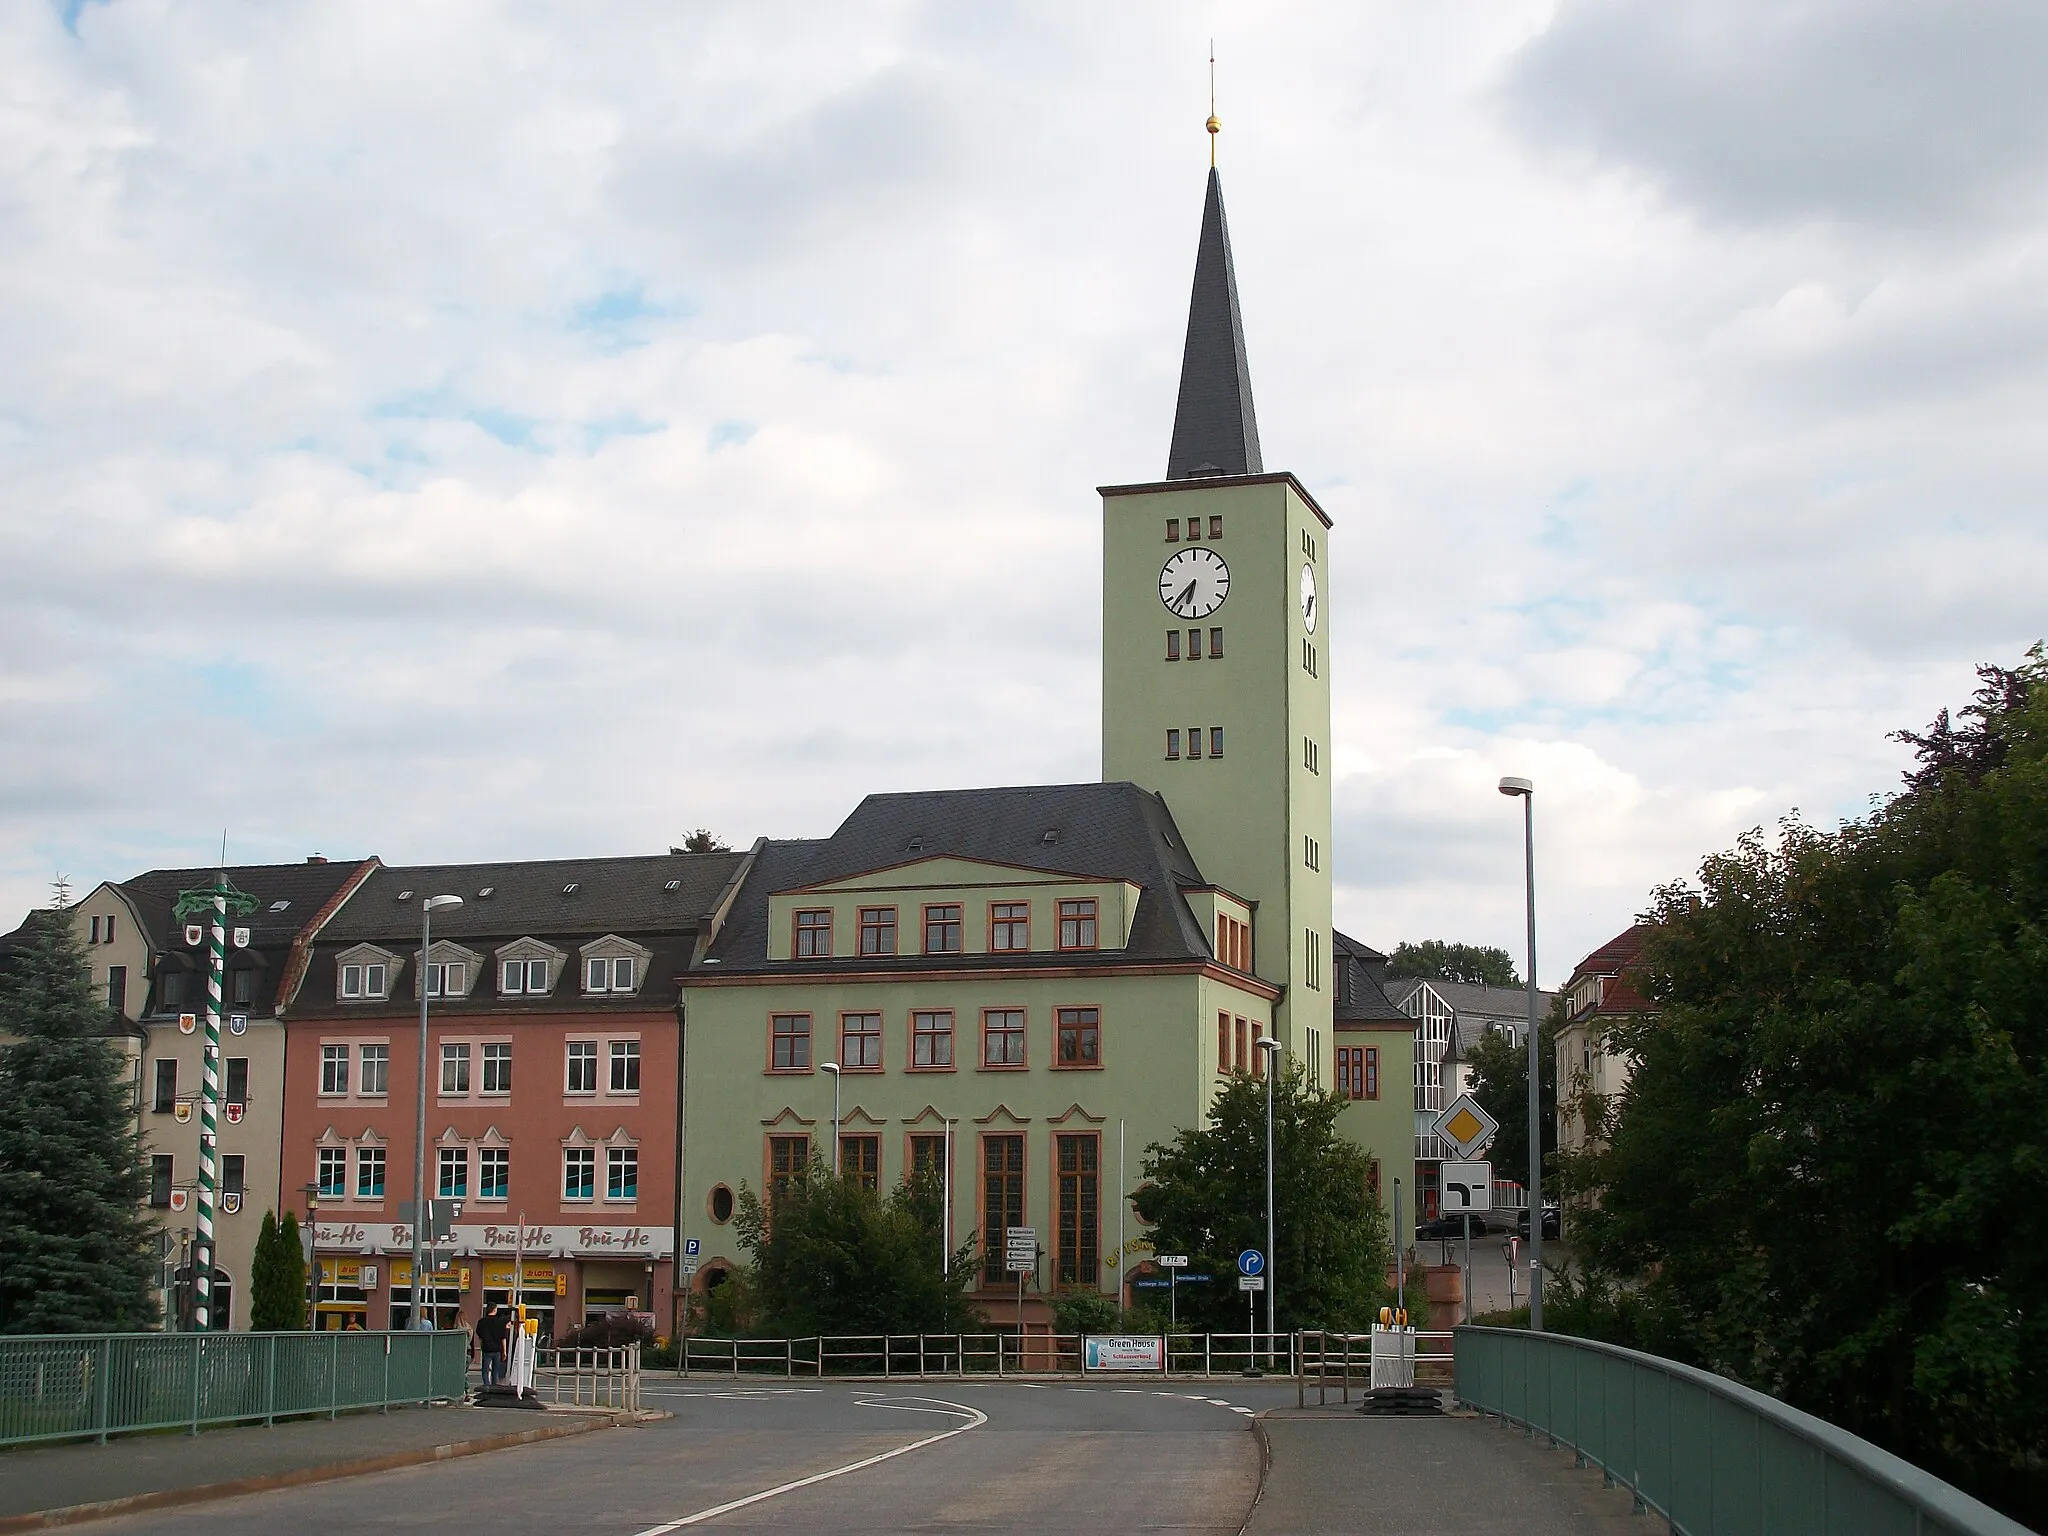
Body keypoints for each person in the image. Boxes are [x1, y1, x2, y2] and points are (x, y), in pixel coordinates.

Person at [475, 1301, 511, 1391]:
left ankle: (487, 1387)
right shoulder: (499, 1322)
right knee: (496, 1371)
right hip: (497, 1349)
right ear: (495, 1310)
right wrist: (505, 1351)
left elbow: (479, 1335)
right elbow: (503, 1337)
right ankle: (494, 1388)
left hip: (487, 1349)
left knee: (485, 1370)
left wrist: (482, 1344)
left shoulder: (482, 1322)